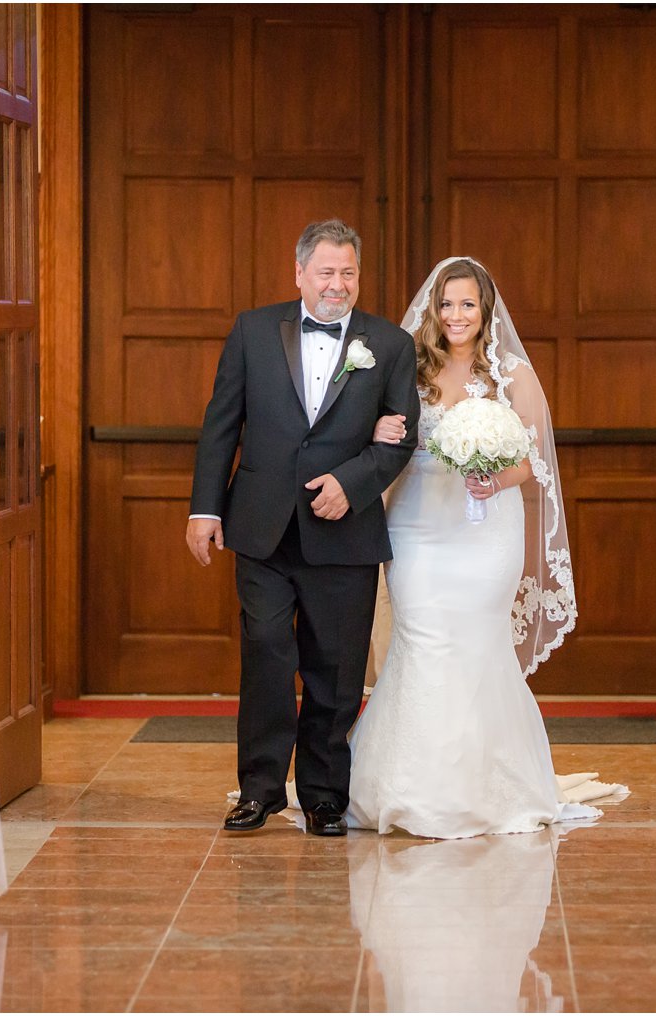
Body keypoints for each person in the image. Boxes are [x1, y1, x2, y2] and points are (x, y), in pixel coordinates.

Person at [350, 257, 611, 839]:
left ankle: (483, 786)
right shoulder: (408, 368)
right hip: (417, 524)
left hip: (487, 528)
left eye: (467, 304)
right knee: (421, 639)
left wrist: (492, 477)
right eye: (446, 305)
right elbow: (378, 429)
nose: (456, 315)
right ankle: (406, 786)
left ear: (485, 309)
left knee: (476, 642)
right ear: (433, 310)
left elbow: (533, 461)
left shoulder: (511, 374)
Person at [186, 219, 420, 837]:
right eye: (326, 272)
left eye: (347, 273)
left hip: (344, 533)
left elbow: (401, 440)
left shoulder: (390, 346)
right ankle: (260, 790)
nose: (337, 284)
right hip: (262, 528)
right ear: (299, 274)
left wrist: (354, 482)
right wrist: (204, 509)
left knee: (336, 668)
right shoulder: (253, 331)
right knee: (266, 653)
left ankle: (322, 796)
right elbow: (221, 425)